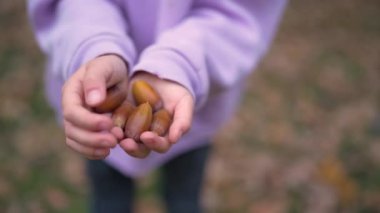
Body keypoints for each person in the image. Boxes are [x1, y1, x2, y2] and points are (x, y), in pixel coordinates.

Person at [28, 0, 287, 212]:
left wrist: (181, 64)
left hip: (190, 111)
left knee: (184, 199)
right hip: (99, 118)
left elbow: (240, 14)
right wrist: (95, 47)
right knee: (109, 201)